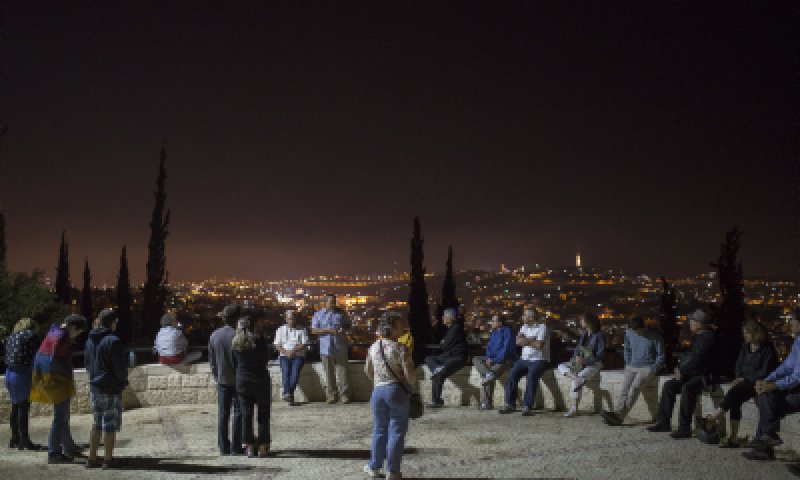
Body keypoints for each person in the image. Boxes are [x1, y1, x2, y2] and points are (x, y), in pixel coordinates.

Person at [706, 320, 776, 447]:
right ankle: (733, 438)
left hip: (758, 383)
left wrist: (745, 379)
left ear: (755, 333)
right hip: (743, 382)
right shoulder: (746, 346)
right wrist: (739, 377)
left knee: (735, 392)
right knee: (735, 399)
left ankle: (714, 417)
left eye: (747, 333)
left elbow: (765, 371)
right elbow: (739, 363)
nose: (745, 336)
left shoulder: (768, 348)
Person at [363, 312, 417, 480]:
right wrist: (412, 389)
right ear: (392, 328)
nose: (404, 327)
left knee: (379, 430)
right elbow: (410, 373)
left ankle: (374, 466)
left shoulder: (374, 347)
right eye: (400, 324)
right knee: (396, 432)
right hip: (396, 392)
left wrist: (379, 381)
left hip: (378, 392)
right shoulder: (401, 348)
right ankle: (393, 471)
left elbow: (367, 370)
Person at [647, 308, 714, 439]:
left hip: (704, 375)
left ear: (699, 324)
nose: (690, 323)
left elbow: (698, 359)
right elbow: (688, 356)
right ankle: (663, 422)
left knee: (687, 388)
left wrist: (682, 371)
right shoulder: (698, 337)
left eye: (692, 321)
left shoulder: (708, 338)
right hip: (691, 373)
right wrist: (679, 368)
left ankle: (684, 428)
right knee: (669, 386)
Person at [742, 311, 800, 461]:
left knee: (767, 401)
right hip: (795, 390)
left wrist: (772, 386)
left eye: (793, 321)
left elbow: (797, 377)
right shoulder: (798, 342)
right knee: (765, 397)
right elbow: (786, 367)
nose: (790, 324)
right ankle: (767, 437)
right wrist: (767, 381)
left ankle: (765, 442)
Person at [30, 314, 86, 463]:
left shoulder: (53, 333)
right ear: (73, 327)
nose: (77, 335)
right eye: (78, 332)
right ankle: (54, 452)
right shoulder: (61, 337)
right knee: (60, 417)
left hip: (54, 380)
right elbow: (55, 361)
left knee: (63, 415)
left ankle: (68, 447)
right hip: (57, 382)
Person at [85, 308, 129, 469]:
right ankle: (108, 460)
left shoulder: (90, 339)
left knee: (96, 423)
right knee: (109, 424)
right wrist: (122, 382)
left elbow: (87, 363)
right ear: (112, 322)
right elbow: (119, 367)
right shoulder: (113, 340)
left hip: (95, 387)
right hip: (110, 387)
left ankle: (91, 457)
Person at [601, 315, 665, 426]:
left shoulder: (654, 336)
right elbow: (627, 348)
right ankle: (617, 414)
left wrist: (653, 368)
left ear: (643, 327)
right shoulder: (629, 333)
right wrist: (628, 362)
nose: (636, 333)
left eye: (638, 330)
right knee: (624, 390)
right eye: (634, 330)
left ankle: (619, 417)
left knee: (634, 390)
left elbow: (661, 354)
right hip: (632, 366)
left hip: (647, 367)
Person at [499, 307, 550, 416]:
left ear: (531, 317)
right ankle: (510, 404)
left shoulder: (542, 327)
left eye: (524, 315)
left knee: (531, 377)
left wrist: (525, 341)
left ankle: (527, 406)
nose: (522, 317)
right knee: (512, 375)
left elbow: (539, 345)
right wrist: (532, 339)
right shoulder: (523, 327)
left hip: (539, 360)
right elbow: (517, 342)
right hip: (524, 360)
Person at [232, 317, 271, 458]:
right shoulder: (259, 341)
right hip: (260, 380)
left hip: (243, 380)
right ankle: (263, 446)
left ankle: (248, 446)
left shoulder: (236, 343)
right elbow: (266, 359)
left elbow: (234, 362)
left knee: (246, 414)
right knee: (263, 414)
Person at [209, 304, 243, 455]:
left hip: (222, 380)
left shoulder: (214, 335)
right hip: (238, 380)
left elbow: (212, 361)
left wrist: (217, 376)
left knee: (223, 414)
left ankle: (223, 447)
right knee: (238, 412)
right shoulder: (239, 335)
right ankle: (236, 447)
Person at [4, 317, 42, 451]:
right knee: (23, 407)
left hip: (9, 373)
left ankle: (15, 438)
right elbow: (40, 353)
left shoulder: (11, 336)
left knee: (15, 406)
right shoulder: (30, 335)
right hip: (21, 373)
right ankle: (24, 441)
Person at [557, 313, 605, 417]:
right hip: (580, 362)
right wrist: (576, 360)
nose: (581, 322)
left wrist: (585, 361)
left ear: (589, 322)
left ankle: (574, 408)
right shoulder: (584, 335)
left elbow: (600, 355)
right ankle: (575, 377)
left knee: (577, 381)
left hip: (593, 363)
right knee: (561, 366)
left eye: (582, 320)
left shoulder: (599, 336)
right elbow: (577, 350)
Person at [311, 293, 350, 403]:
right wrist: (329, 330)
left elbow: (348, 325)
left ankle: (344, 395)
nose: (333, 304)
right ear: (325, 302)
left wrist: (343, 329)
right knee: (329, 373)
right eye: (331, 302)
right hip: (325, 347)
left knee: (343, 371)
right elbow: (314, 330)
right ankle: (332, 395)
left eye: (334, 302)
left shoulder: (341, 313)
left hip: (340, 346)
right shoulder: (318, 315)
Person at [424, 308, 467, 409]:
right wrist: (443, 342)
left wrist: (443, 342)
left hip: (457, 358)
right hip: (448, 356)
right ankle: (436, 400)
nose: (443, 318)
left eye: (445, 316)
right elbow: (444, 344)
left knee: (437, 372)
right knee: (430, 360)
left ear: (451, 318)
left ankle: (436, 401)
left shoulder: (456, 328)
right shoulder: (452, 328)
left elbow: (445, 345)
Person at [473, 315, 515, 410]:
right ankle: (488, 374)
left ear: (500, 323)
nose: (492, 323)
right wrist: (488, 358)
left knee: (488, 374)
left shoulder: (508, 331)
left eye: (494, 321)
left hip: (505, 360)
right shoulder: (494, 332)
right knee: (476, 359)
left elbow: (506, 350)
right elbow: (489, 347)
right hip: (492, 360)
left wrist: (494, 360)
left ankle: (487, 403)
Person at [274, 310, 308, 404]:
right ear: (285, 319)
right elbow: (277, 345)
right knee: (286, 372)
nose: (291, 321)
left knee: (295, 373)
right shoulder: (280, 330)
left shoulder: (302, 329)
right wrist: (286, 352)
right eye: (289, 319)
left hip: (298, 355)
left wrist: (293, 351)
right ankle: (289, 395)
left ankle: (287, 393)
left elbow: (304, 343)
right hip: (284, 356)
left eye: (292, 318)